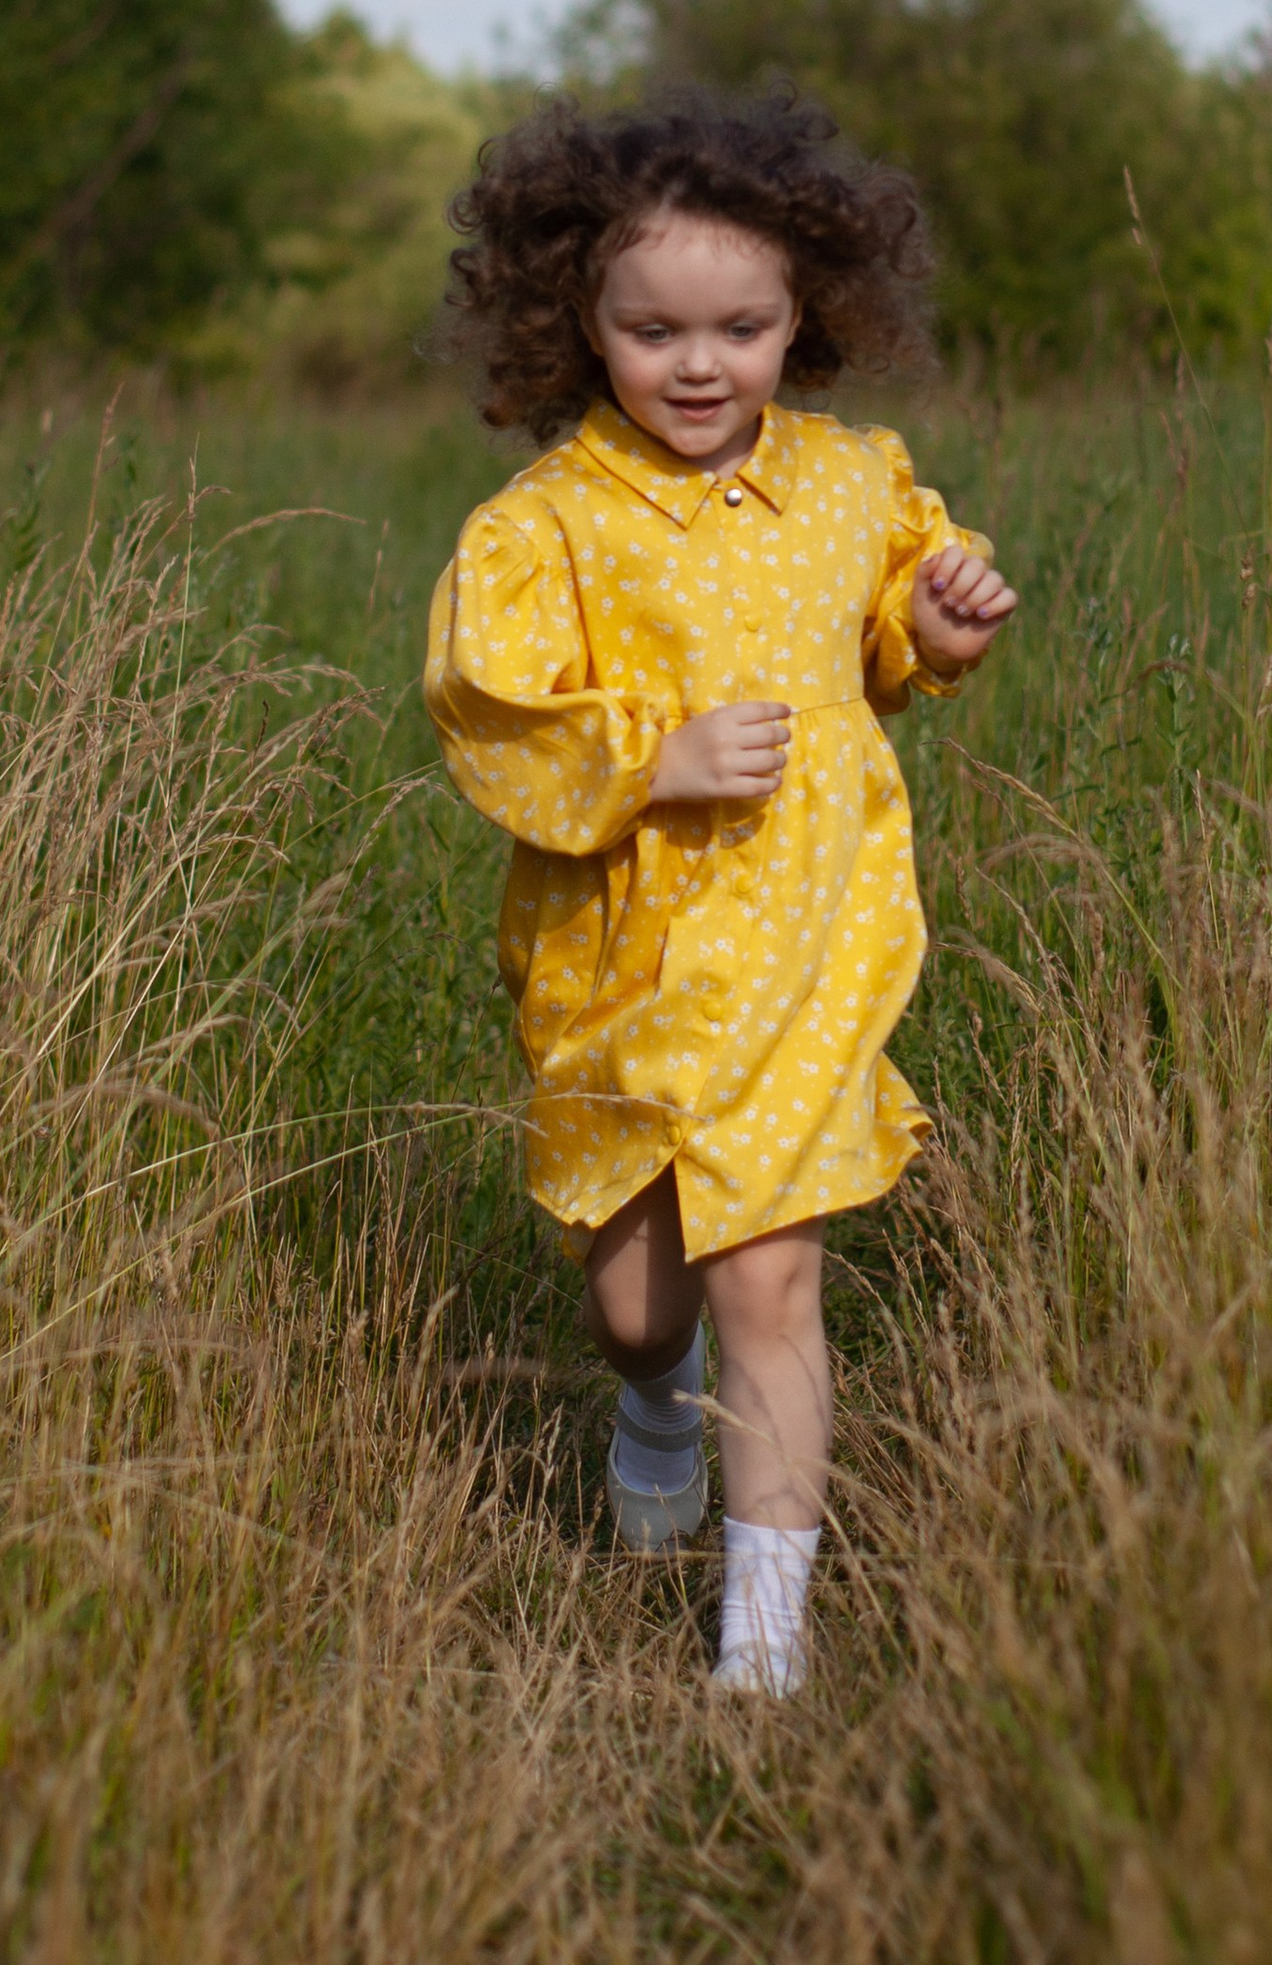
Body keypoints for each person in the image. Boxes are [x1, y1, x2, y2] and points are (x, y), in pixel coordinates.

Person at [422, 86, 1016, 1695]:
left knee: (770, 1271)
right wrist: (651, 759)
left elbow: (890, 630)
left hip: (809, 939)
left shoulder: (853, 480)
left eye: (741, 329)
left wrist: (935, 629)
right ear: (583, 323)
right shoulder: (548, 523)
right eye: (656, 331)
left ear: (802, 314)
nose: (701, 367)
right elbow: (487, 707)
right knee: (637, 1300)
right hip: (624, 952)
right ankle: (651, 1400)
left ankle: (763, 1652)